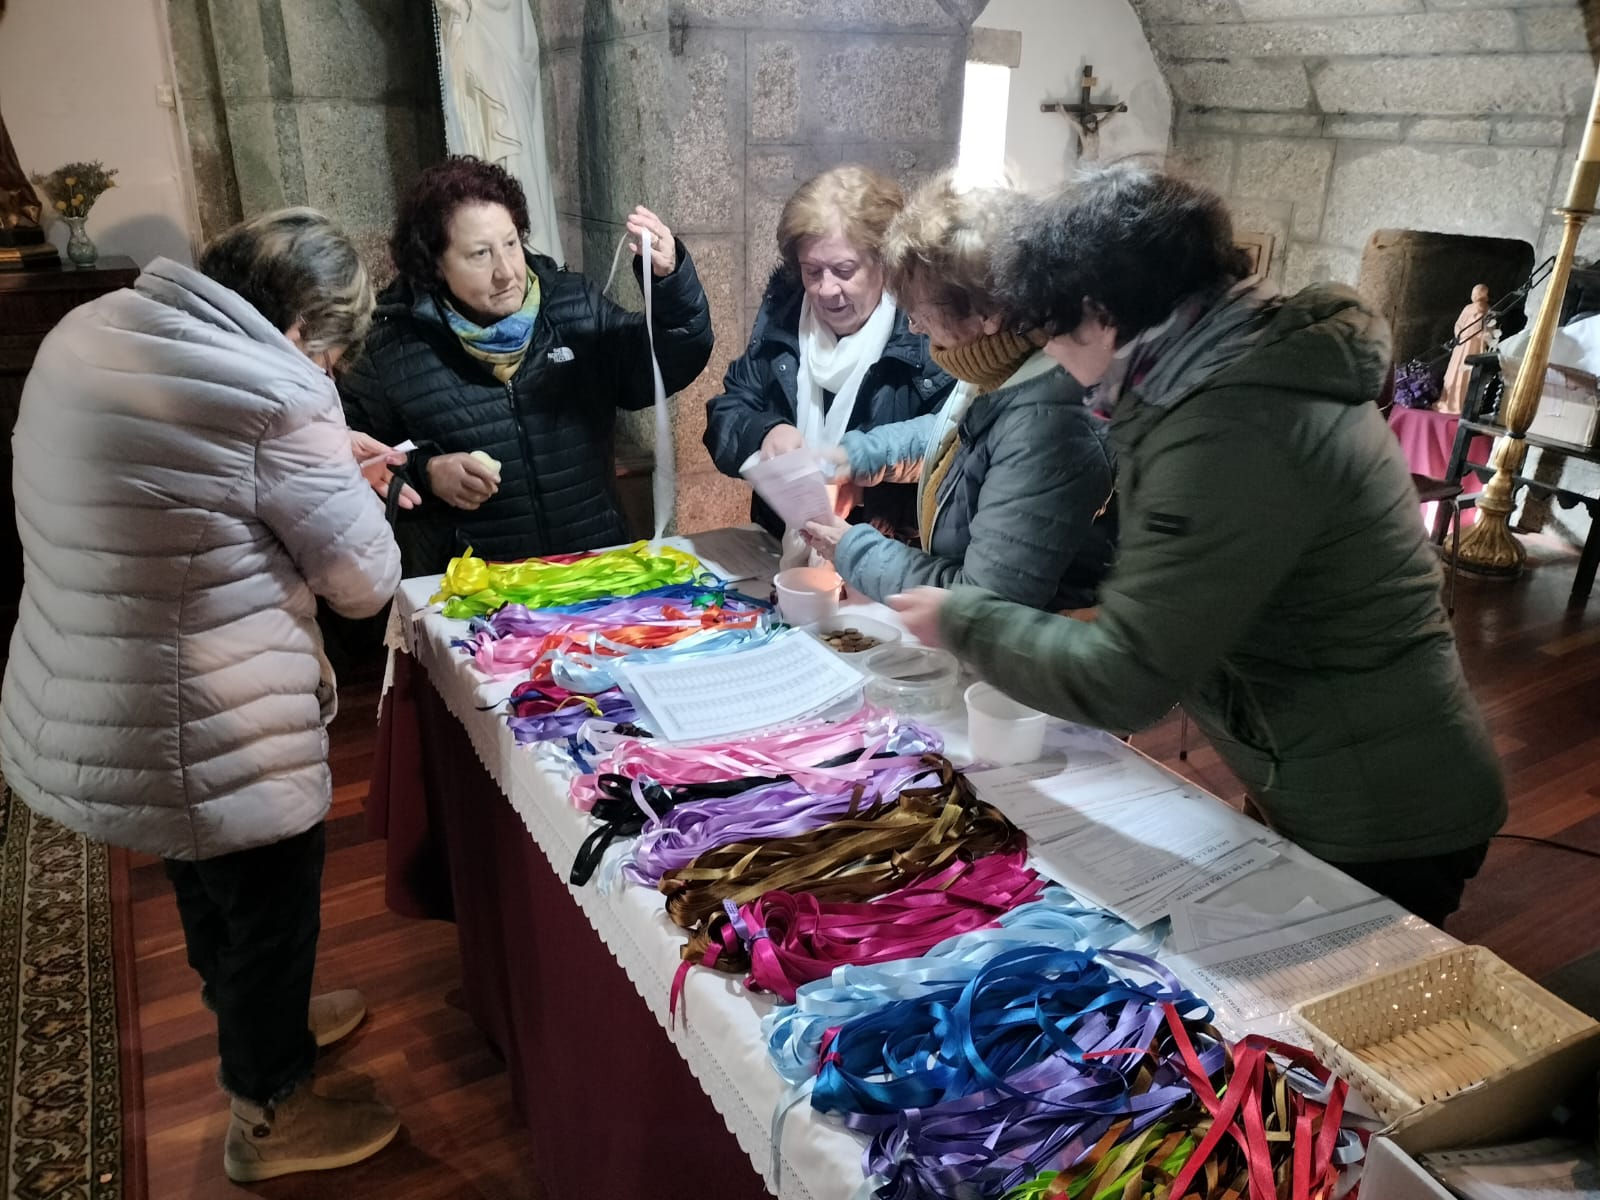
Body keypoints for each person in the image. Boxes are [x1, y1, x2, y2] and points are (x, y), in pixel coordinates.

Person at [891, 163, 1507, 928]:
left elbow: (1129, 678)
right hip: (1323, 761)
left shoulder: (1229, 423)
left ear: (1100, 313)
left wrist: (964, 619)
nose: (1053, 354)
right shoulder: (1218, 372)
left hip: (1381, 809)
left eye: (1053, 331)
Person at [0, 209, 407, 1182]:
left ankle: (255, 1016)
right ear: (306, 334)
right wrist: (362, 487)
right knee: (272, 907)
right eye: (336, 358)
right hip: (215, 711)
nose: (332, 379)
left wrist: (312, 463)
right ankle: (269, 1114)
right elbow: (363, 581)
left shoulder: (92, 330)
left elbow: (182, 486)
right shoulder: (280, 394)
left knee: (201, 874)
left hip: (99, 680)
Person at [341, 155, 714, 574]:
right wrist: (426, 472)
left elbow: (670, 359)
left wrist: (671, 282)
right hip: (475, 594)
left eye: (512, 244)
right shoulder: (394, 347)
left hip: (591, 573)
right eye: (480, 254)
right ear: (436, 266)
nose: (506, 273)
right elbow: (346, 460)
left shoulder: (574, 307)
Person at [799, 174, 1116, 610]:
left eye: (920, 307)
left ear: (990, 311)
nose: (912, 325)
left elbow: (985, 604)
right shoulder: (998, 360)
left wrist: (854, 550)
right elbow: (951, 436)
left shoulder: (1051, 428)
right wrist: (855, 457)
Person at [703, 164, 957, 553]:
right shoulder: (785, 313)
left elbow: (952, 450)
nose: (825, 289)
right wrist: (764, 431)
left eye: (843, 270)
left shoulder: (925, 331)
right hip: (783, 545)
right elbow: (729, 408)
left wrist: (869, 484)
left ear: (884, 263)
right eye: (812, 271)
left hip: (889, 554)